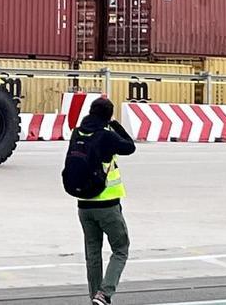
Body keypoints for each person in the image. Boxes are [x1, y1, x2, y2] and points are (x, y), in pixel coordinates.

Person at [73, 98, 135, 305]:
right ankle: (104, 293)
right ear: (107, 116)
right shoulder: (106, 136)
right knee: (120, 248)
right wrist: (115, 124)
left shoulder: (78, 133)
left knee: (93, 252)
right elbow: (129, 146)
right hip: (106, 204)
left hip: (83, 203)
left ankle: (95, 297)